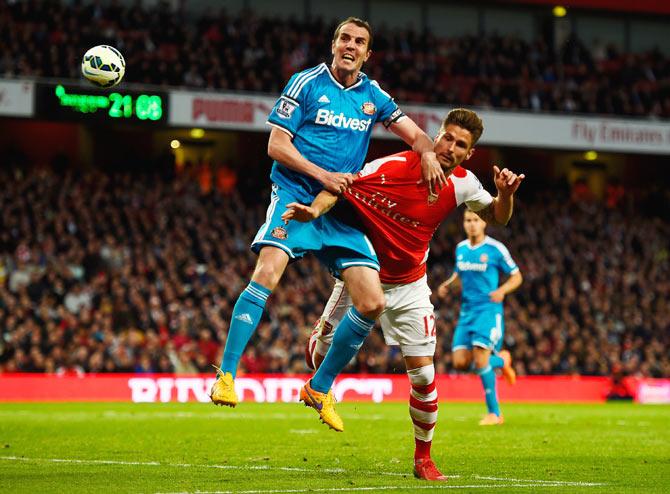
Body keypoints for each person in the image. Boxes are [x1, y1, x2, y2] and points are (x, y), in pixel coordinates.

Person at [210, 17, 445, 425]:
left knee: (372, 302)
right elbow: (276, 145)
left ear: (368, 53)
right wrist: (323, 176)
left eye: (359, 42)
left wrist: (426, 152)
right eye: (345, 39)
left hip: (342, 207)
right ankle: (227, 375)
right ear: (333, 44)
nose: (350, 46)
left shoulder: (373, 95)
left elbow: (418, 136)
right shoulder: (306, 83)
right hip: (295, 197)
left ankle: (318, 387)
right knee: (267, 271)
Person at [283, 108, 524, 480]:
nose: (451, 148)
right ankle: (321, 341)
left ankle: (423, 459)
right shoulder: (394, 167)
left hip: (411, 284)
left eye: (461, 145)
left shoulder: (464, 183)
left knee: (425, 379)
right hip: (363, 276)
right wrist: (314, 212)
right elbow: (341, 185)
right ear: (437, 135)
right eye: (447, 138)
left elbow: (498, 217)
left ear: (469, 153)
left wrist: (505, 195)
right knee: (318, 359)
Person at [437, 210, 523, 425]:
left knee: (481, 359)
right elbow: (460, 275)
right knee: (460, 363)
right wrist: (448, 286)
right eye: (468, 220)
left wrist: (502, 290)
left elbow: (517, 276)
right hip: (466, 313)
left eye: (476, 220)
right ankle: (502, 360)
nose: (472, 224)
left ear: (484, 223)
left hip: (488, 311)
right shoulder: (461, 249)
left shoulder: (495, 249)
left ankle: (495, 413)